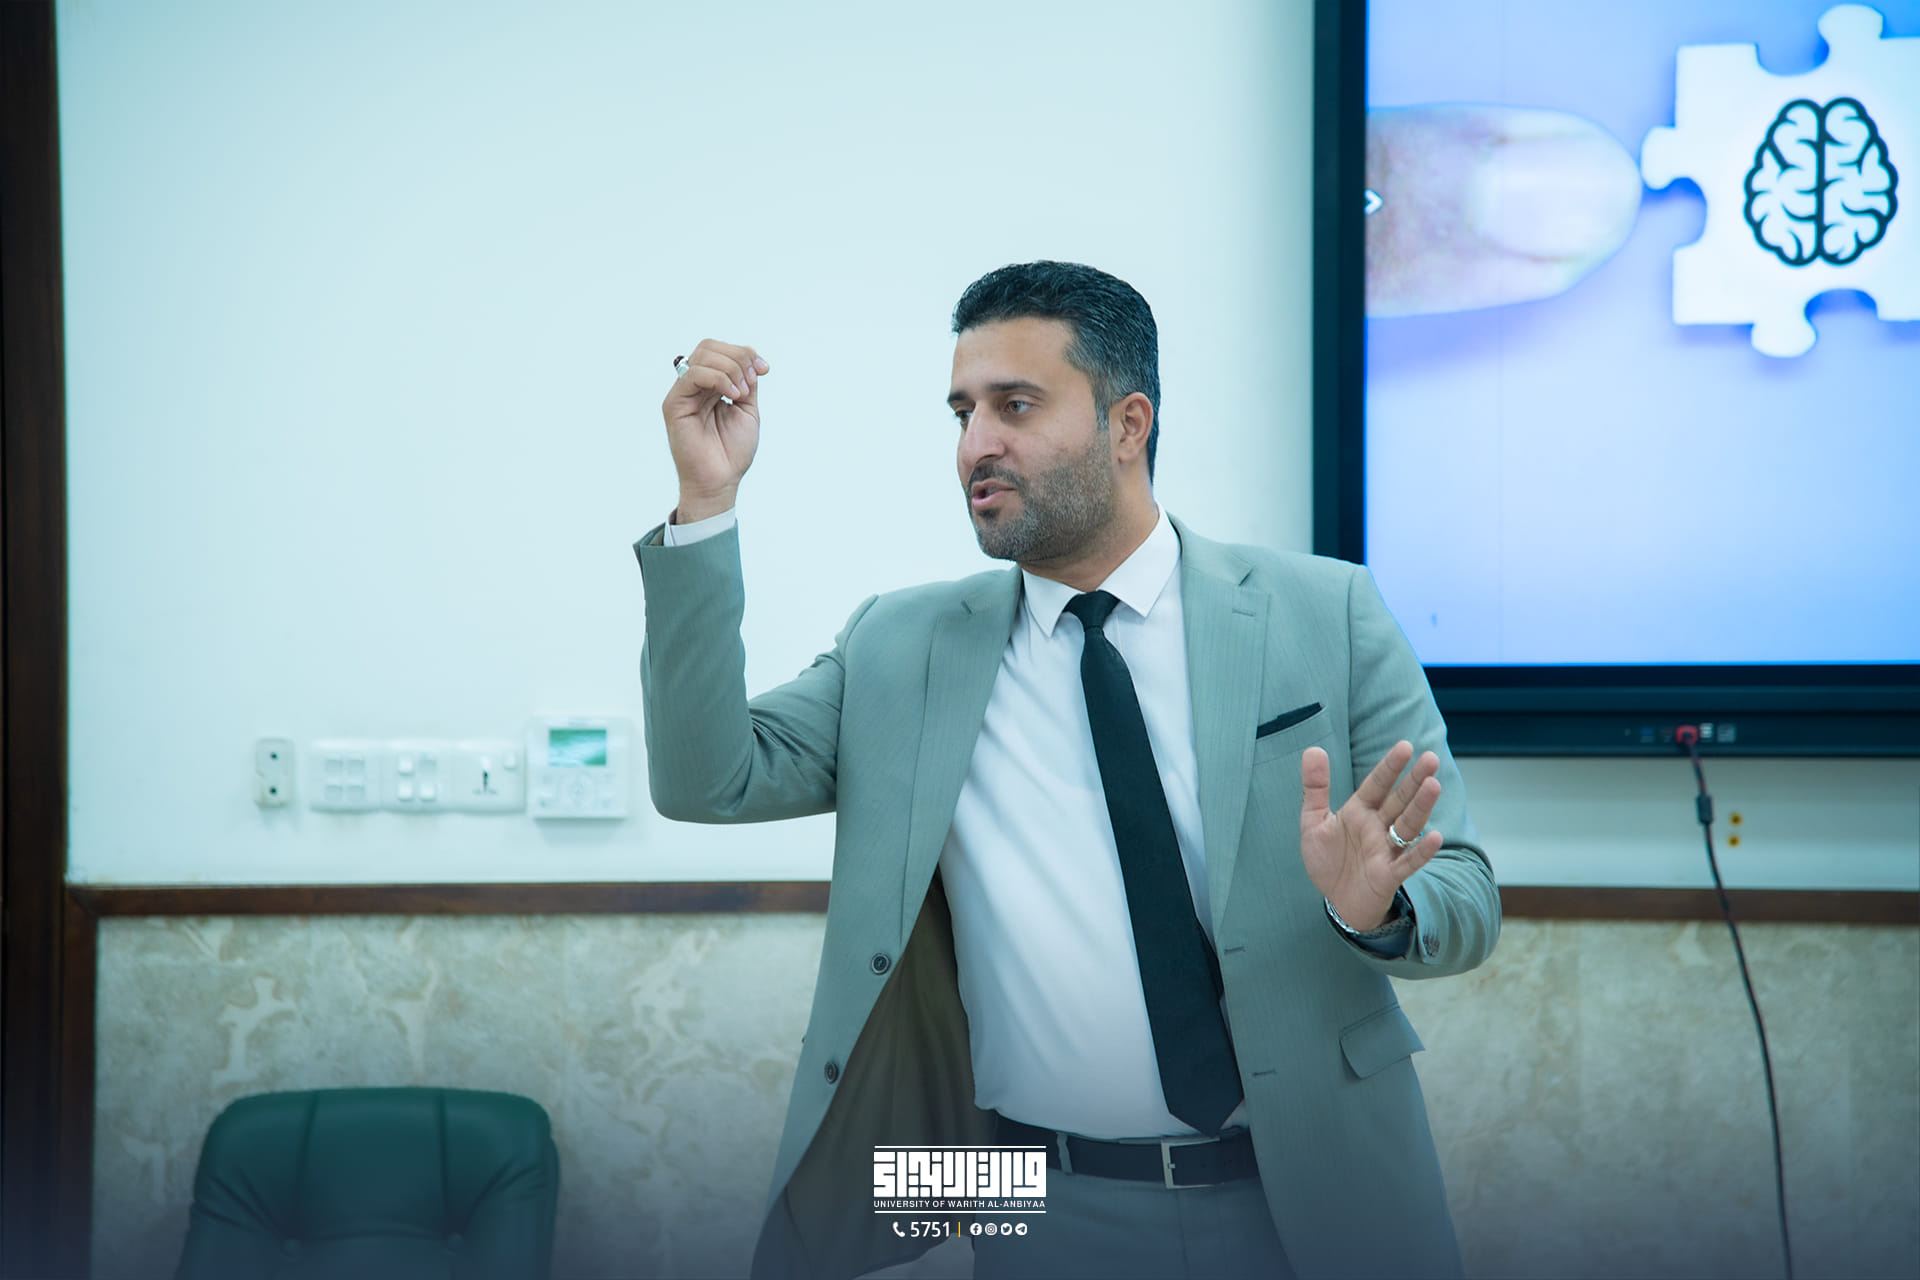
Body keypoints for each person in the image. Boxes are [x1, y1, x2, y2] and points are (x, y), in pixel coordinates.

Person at [634, 261, 1500, 1280]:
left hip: (1317, 1196)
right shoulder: (901, 646)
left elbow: (1466, 894)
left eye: (1015, 405)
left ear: (1127, 424)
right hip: (1033, 1205)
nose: (975, 444)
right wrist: (706, 500)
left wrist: (1378, 908)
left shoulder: (1326, 611)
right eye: (962, 411)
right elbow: (705, 778)